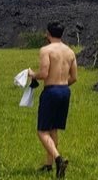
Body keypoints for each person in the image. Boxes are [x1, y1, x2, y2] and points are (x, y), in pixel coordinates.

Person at [28, 21, 77, 178]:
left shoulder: (46, 50)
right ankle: (48, 165)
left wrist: (31, 74)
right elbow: (74, 77)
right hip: (65, 91)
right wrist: (62, 85)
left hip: (51, 91)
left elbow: (43, 73)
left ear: (48, 34)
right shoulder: (70, 52)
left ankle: (58, 160)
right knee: (53, 128)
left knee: (42, 131)